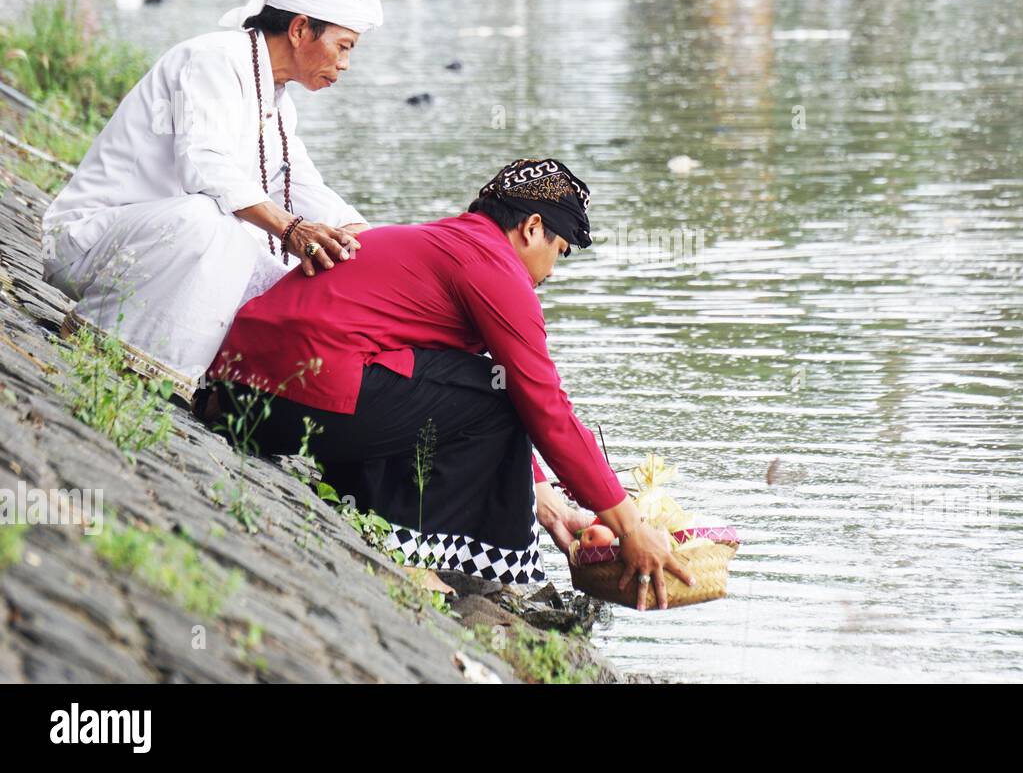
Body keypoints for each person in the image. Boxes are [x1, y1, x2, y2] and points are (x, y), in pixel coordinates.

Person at [200, 158, 694, 610]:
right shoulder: (493, 267)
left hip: (244, 393)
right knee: (502, 392)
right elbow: (544, 407)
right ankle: (404, 551)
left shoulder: (451, 243)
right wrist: (630, 525)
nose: (550, 273)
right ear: (532, 228)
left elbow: (445, 385)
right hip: (294, 395)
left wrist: (544, 498)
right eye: (559, 253)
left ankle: (376, 522)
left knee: (470, 382)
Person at [41, 0, 382, 389]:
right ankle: (115, 348)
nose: (346, 64)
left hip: (162, 243)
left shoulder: (277, 100)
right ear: (299, 30)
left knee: (296, 286)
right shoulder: (211, 58)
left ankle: (214, 391)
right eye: (344, 46)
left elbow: (295, 181)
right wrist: (290, 229)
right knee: (209, 219)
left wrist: (367, 240)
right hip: (90, 242)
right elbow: (205, 165)